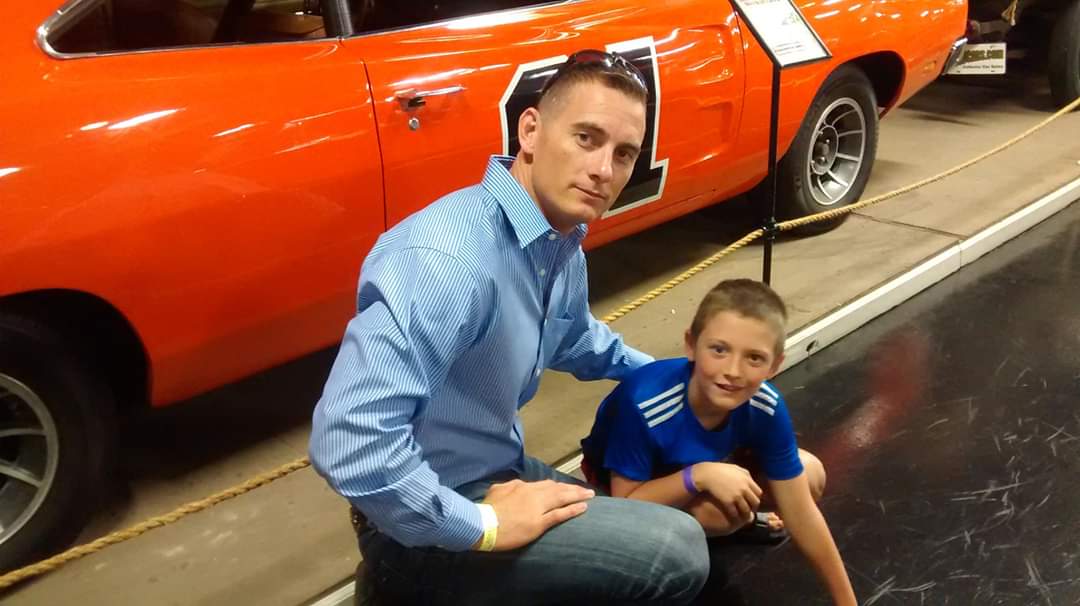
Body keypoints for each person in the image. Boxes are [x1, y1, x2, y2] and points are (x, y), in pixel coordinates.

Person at [309, 50, 710, 605]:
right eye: (586, 138)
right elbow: (349, 439)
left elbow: (575, 337)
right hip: (425, 520)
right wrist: (484, 526)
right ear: (530, 131)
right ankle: (397, 586)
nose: (604, 170)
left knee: (686, 508)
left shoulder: (556, 241)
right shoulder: (450, 259)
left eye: (623, 153)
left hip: (498, 466)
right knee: (676, 550)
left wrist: (688, 381)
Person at [581, 279, 858, 605]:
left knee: (809, 475)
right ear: (691, 345)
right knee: (718, 516)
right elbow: (627, 505)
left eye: (754, 358)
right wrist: (697, 476)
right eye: (719, 350)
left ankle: (737, 519)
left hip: (697, 465)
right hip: (624, 487)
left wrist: (847, 601)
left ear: (775, 366)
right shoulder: (644, 404)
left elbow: (801, 511)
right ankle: (720, 524)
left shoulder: (766, 405)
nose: (733, 371)